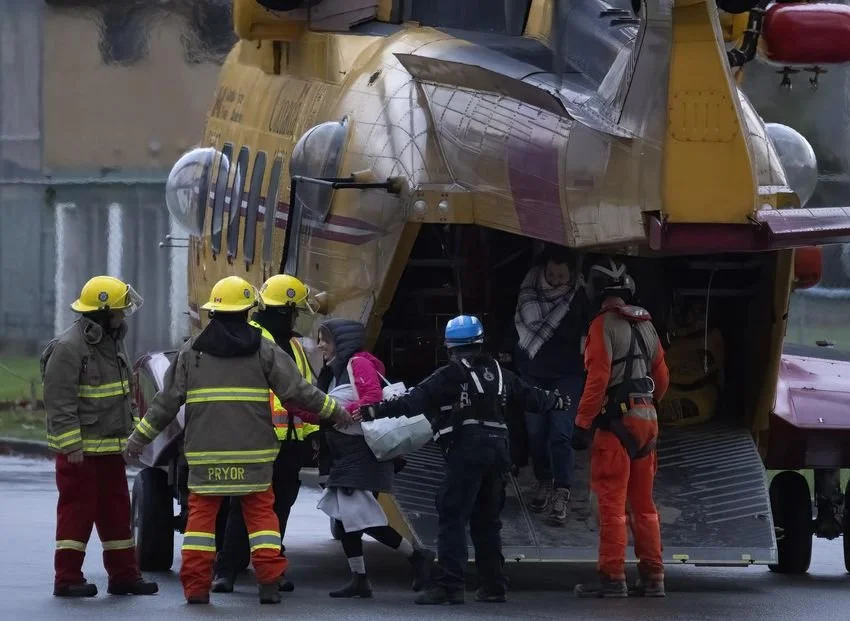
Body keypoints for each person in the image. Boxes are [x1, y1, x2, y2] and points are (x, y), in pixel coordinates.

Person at [123, 276, 351, 605]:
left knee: (200, 526)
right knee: (262, 520)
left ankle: (197, 589)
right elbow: (298, 391)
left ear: (213, 312)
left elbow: (165, 404)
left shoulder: (191, 353)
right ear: (247, 311)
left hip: (205, 457)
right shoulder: (264, 349)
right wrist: (336, 411)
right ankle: (270, 583)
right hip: (254, 457)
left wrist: (137, 439)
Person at [360, 315, 566, 605]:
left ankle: (449, 586)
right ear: (480, 343)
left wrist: (373, 412)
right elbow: (532, 398)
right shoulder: (500, 372)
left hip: (466, 452)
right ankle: (493, 586)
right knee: (487, 520)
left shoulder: (450, 374)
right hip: (498, 453)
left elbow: (413, 400)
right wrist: (558, 400)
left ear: (450, 347)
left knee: (452, 516)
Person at [42, 275, 158, 598]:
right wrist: (70, 444)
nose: (123, 316)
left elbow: (123, 395)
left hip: (109, 449)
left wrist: (132, 434)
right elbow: (59, 401)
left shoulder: (111, 341)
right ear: (103, 313)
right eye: (119, 311)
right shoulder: (68, 348)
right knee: (76, 514)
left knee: (117, 513)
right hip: (79, 453)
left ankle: (124, 576)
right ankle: (66, 578)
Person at [212, 274, 321, 594]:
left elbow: (306, 392)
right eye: (294, 312)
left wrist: (312, 435)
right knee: (243, 505)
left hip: (289, 442)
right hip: (255, 437)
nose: (296, 318)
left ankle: (271, 567)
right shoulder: (249, 338)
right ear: (284, 310)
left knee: (280, 506)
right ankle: (227, 569)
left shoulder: (295, 345)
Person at [570, 258, 670, 598]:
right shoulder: (646, 324)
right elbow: (662, 378)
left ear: (595, 290)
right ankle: (653, 577)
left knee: (612, 504)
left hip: (615, 426)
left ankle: (613, 578)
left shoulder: (601, 325)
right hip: (647, 422)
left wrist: (582, 423)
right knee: (644, 505)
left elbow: (597, 379)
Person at [314, 318, 434, 598]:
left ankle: (418, 556)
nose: (320, 345)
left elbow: (372, 396)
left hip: (363, 452)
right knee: (346, 520)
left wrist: (345, 413)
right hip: (348, 453)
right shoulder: (334, 371)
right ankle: (360, 579)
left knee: (360, 518)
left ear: (341, 342)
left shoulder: (357, 363)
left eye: (325, 339)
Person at [513, 244, 590, 526]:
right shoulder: (527, 291)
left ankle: (562, 489)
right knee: (536, 433)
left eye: (562, 276)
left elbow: (589, 330)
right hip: (533, 372)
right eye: (552, 275)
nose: (557, 281)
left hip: (568, 373)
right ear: (543, 270)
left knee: (560, 433)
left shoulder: (578, 296)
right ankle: (544, 480)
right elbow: (516, 328)